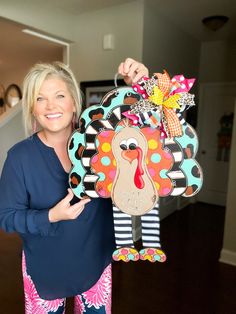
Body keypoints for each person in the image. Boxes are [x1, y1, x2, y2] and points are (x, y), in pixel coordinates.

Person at [0, 58, 148, 313]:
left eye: (59, 95)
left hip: (95, 264)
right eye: (40, 98)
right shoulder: (19, 157)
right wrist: (51, 216)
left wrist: (141, 86)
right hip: (44, 269)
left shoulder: (103, 143)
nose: (50, 106)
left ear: (73, 102)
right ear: (32, 108)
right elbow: (6, 218)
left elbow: (145, 133)